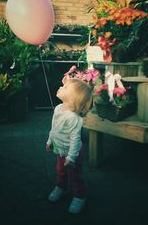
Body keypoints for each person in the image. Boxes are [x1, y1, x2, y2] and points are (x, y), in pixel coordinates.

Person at [46, 78, 93, 214]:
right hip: (60, 149)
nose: (61, 88)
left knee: (74, 176)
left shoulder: (73, 118)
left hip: (73, 153)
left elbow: (75, 139)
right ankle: (60, 187)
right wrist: (50, 141)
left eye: (65, 87)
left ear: (73, 98)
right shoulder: (58, 108)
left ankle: (79, 197)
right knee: (60, 170)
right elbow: (54, 128)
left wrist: (71, 158)